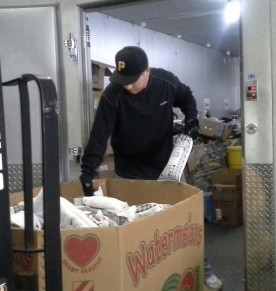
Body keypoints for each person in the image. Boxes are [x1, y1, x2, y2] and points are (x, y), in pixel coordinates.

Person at [79, 46, 222, 289]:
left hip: (167, 169)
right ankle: (149, 280)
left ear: (147, 72)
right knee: (139, 231)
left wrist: (192, 121)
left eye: (132, 81)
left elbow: (187, 99)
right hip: (129, 173)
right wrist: (87, 172)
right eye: (123, 81)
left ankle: (202, 269)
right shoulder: (113, 95)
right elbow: (98, 135)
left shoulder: (166, 82)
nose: (127, 86)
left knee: (185, 224)